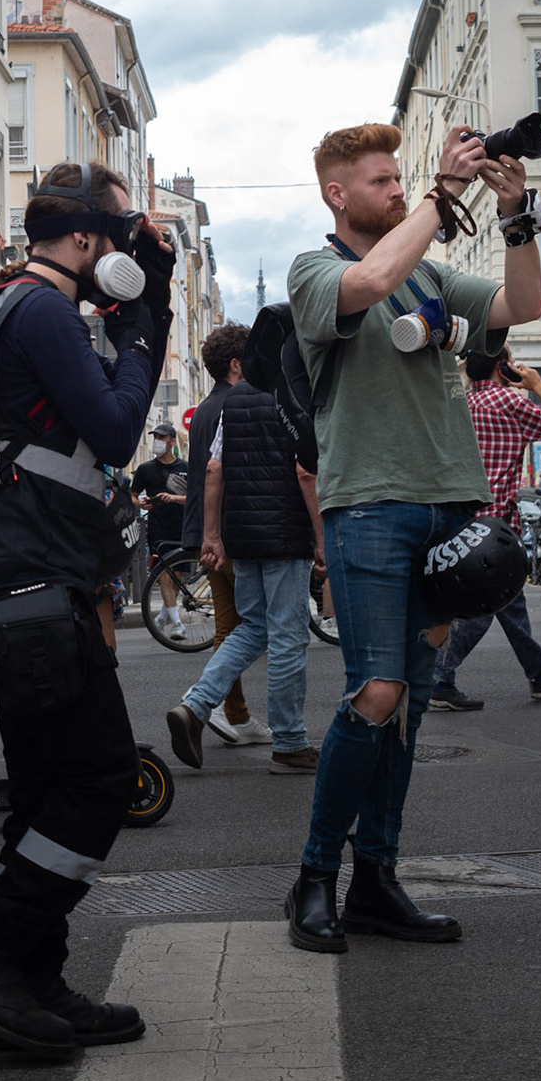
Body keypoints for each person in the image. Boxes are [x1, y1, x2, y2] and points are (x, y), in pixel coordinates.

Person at [0, 160, 173, 1058]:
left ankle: (30, 986)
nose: (126, 256)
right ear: (82, 240)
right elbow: (113, 431)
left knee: (39, 784)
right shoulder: (38, 309)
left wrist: (154, 301)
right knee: (101, 774)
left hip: (23, 567)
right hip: (34, 573)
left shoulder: (22, 306)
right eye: (121, 238)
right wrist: (142, 336)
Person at [284, 120, 541, 953]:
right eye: (381, 181)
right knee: (378, 692)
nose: (396, 189)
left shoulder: (431, 271)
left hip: (450, 506)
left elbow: (521, 307)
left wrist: (515, 217)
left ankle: (377, 881)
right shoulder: (317, 271)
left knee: (411, 707)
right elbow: (370, 279)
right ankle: (315, 877)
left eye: (401, 178)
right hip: (369, 508)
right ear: (338, 193)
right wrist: (440, 194)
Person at [166, 376, 323, 775]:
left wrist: (213, 535)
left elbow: (214, 467)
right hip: (286, 531)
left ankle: (196, 705)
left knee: (252, 626)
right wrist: (321, 537)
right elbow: (307, 472)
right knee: (288, 635)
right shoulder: (295, 391)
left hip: (242, 534)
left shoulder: (234, 401)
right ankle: (290, 743)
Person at [429, 351, 541, 708]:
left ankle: (540, 674)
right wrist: (537, 384)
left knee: (510, 603)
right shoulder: (509, 402)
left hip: (459, 523)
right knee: (483, 607)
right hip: (496, 526)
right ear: (504, 368)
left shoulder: (462, 403)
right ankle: (439, 678)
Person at [179, 323, 269, 747]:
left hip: (206, 532)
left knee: (228, 626)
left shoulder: (203, 410)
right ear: (237, 364)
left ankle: (233, 713)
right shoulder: (239, 403)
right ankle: (207, 701)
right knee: (263, 625)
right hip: (234, 532)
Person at [131, 424, 189, 639]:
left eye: (162, 437)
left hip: (183, 528)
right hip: (158, 529)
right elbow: (133, 495)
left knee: (178, 576)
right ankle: (177, 625)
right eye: (155, 437)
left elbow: (195, 497)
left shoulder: (186, 467)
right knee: (166, 574)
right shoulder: (146, 469)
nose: (157, 441)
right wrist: (140, 504)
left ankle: (163, 617)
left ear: (172, 441)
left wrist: (174, 498)